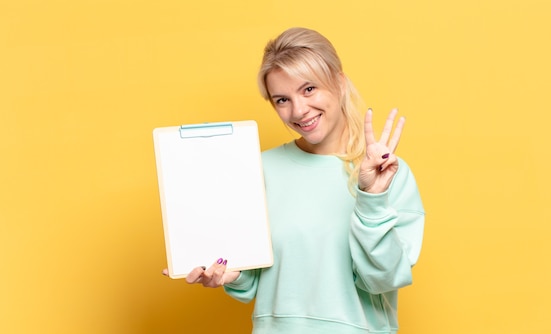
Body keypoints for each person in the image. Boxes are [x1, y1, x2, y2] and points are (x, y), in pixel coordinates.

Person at [164, 27, 425, 334]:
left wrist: (370, 199)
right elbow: (257, 278)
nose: (299, 111)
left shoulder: (388, 173)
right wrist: (228, 274)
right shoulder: (259, 169)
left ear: (339, 83)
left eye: (309, 89)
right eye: (281, 99)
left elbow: (384, 278)